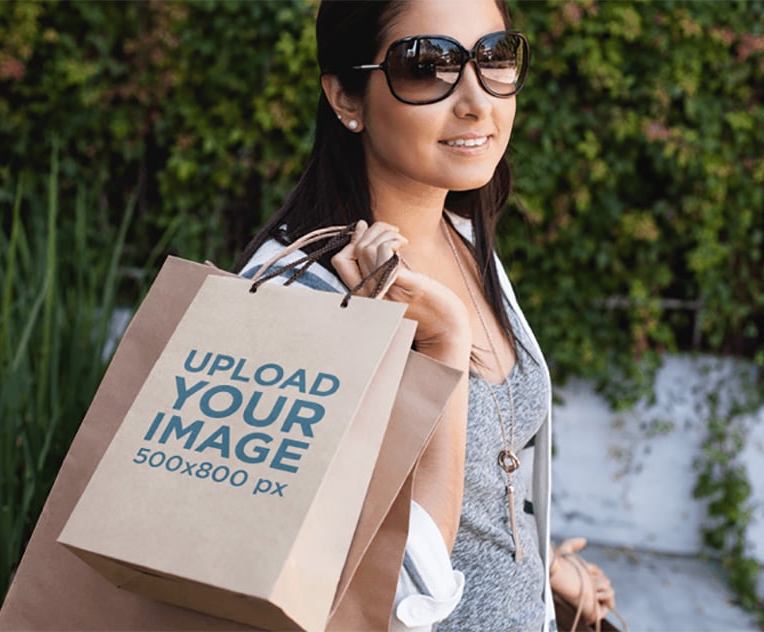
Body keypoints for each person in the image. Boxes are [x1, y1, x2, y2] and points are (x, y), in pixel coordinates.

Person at [237, 1, 616, 629]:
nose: (476, 101)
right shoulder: (296, 298)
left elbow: (487, 471)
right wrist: (442, 347)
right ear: (346, 98)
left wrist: (540, 567)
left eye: (494, 57)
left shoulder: (462, 237)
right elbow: (376, 599)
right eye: (426, 66)